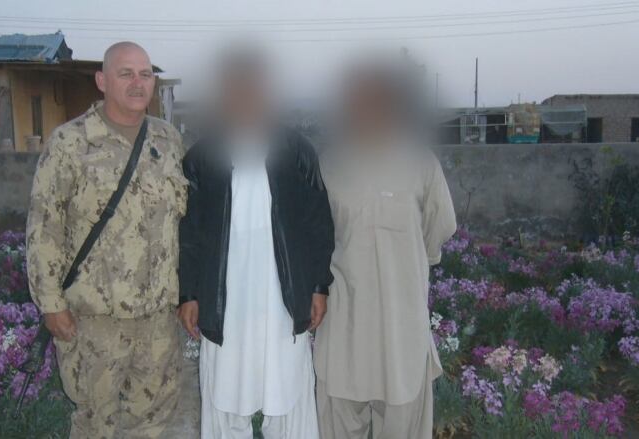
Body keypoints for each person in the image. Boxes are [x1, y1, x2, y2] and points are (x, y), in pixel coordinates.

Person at [26, 41, 187, 438]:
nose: (137, 83)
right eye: (125, 73)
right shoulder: (70, 143)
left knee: (152, 421)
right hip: (94, 320)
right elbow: (44, 227)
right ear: (101, 80)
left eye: (145, 74)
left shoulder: (167, 142)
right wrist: (51, 304)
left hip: (157, 319)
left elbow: (183, 221)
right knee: (95, 423)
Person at [176, 49, 334, 439]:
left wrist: (317, 286)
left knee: (289, 394)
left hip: (283, 297)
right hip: (223, 300)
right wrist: (190, 294)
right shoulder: (202, 157)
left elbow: (318, 224)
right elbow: (189, 232)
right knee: (225, 397)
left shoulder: (297, 151)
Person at [314, 61, 457, 438]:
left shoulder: (421, 163)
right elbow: (316, 237)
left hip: (402, 329)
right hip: (345, 328)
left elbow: (437, 230)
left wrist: (405, 269)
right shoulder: (330, 165)